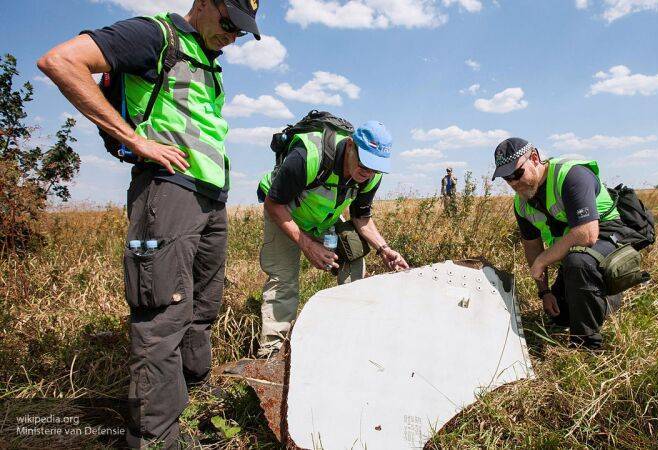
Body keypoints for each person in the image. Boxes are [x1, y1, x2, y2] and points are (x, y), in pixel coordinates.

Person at [37, 1, 261, 447]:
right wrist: (135, 140)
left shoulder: (206, 60)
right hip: (168, 191)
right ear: (205, 4)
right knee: (162, 313)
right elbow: (60, 61)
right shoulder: (156, 36)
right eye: (229, 22)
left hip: (209, 197)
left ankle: (195, 394)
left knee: (201, 306)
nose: (234, 35)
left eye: (243, 30)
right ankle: (155, 437)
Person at [256, 121, 410, 357]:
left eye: (375, 167)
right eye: (364, 162)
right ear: (350, 145)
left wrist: (384, 249)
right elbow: (273, 204)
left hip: (322, 219)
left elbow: (361, 218)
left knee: (354, 253)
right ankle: (271, 353)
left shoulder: (370, 176)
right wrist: (308, 246)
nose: (367, 172)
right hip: (285, 212)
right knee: (284, 279)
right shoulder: (308, 157)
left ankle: (349, 332)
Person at [492, 138, 629, 349]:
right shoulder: (521, 204)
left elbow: (587, 235)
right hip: (575, 251)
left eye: (518, 173)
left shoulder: (571, 176)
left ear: (535, 158)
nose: (514, 183)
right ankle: (602, 298)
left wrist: (540, 262)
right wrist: (544, 292)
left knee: (578, 262)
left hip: (608, 236)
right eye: (507, 179)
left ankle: (586, 344)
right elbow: (532, 247)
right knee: (560, 315)